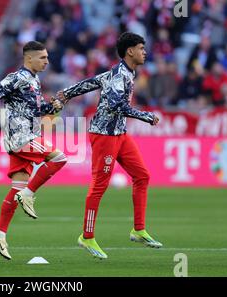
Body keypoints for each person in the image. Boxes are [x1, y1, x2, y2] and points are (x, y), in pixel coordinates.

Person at [56, 32, 163, 259]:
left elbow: (92, 82)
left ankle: (139, 229)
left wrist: (67, 93)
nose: (145, 52)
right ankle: (86, 236)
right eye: (141, 48)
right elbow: (116, 105)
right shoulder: (119, 75)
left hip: (119, 134)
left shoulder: (122, 72)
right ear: (130, 51)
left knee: (142, 175)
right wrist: (145, 116)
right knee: (99, 186)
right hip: (104, 135)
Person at [0, 41, 66, 260]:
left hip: (27, 134)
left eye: (47, 57)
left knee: (17, 187)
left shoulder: (33, 80)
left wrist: (52, 107)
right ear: (29, 58)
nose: (47, 61)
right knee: (59, 159)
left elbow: (33, 110)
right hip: (21, 137)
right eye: (43, 58)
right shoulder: (16, 77)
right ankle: (28, 195)